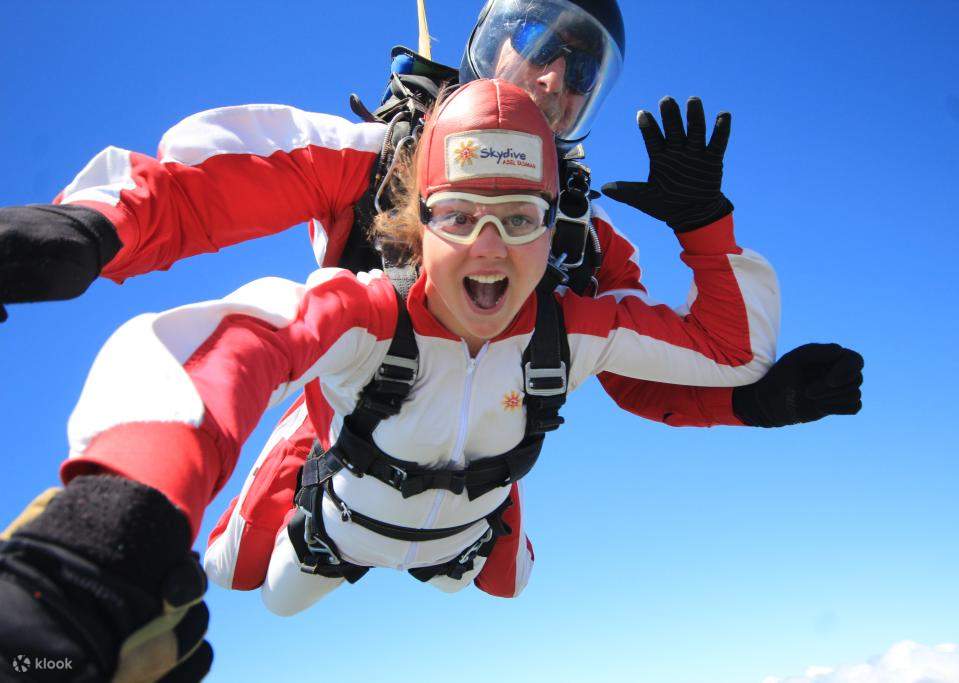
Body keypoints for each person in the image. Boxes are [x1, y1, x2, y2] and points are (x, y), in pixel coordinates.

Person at [18, 79, 780, 629]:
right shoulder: (371, 297)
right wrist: (111, 524)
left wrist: (707, 229)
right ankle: (297, 463)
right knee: (254, 581)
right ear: (417, 221)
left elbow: (722, 352)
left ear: (555, 231)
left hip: (465, 533)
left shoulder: (575, 313)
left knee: (501, 585)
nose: (489, 246)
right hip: (337, 520)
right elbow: (238, 342)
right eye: (459, 215)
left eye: (519, 218)